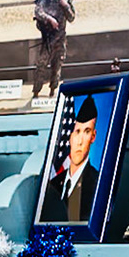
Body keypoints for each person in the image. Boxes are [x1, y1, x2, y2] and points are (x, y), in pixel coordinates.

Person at [47, 95, 99, 225]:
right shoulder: (53, 184)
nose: (80, 141)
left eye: (86, 132)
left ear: (93, 137)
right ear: (69, 137)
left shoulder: (97, 184)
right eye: (77, 132)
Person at [33, 0, 76, 100]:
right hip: (48, 38)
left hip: (60, 37)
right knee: (41, 65)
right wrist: (50, 19)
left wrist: (66, 7)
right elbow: (38, 11)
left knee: (57, 65)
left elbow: (72, 18)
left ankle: (53, 91)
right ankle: (36, 92)